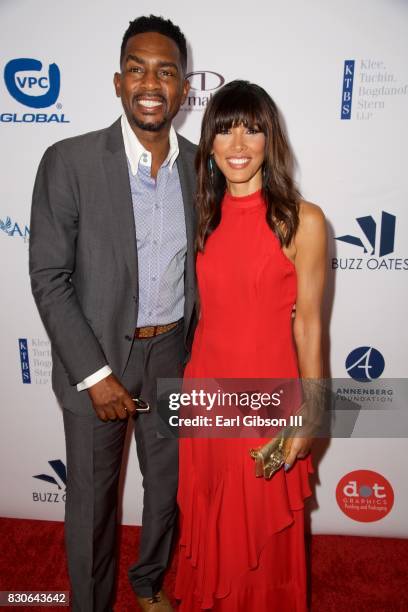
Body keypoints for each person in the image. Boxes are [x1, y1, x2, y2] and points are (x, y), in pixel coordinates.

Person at [29, 15, 197, 612]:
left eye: (166, 71)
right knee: (92, 503)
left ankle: (148, 582)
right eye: (137, 69)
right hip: (96, 358)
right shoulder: (68, 161)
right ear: (118, 82)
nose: (151, 83)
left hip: (173, 352)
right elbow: (50, 277)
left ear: (184, 87)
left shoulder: (202, 169)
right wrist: (95, 375)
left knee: (168, 490)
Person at [175, 80, 326, 611]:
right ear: (209, 143)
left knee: (259, 533)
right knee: (210, 519)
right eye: (225, 128)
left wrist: (312, 412)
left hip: (268, 399)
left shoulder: (300, 221)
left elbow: (308, 325)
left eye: (253, 128)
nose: (238, 142)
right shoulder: (199, 216)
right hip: (205, 393)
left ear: (271, 139)